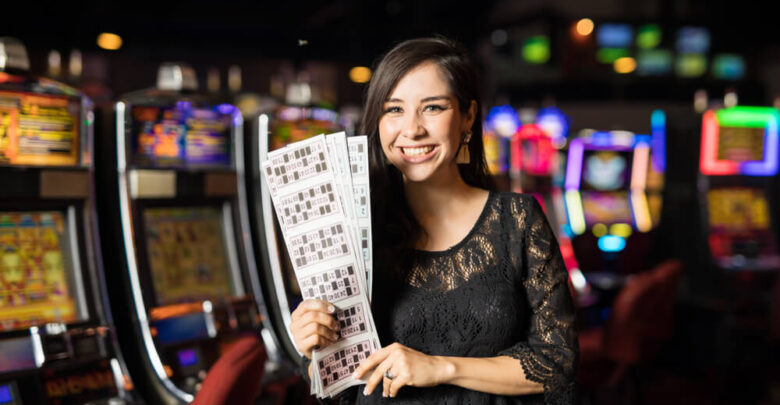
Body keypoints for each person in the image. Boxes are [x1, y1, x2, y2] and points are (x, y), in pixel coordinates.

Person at [289, 37, 577, 404]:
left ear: (468, 116)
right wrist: (312, 346)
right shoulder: (352, 226)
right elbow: (339, 384)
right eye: (394, 109)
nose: (412, 129)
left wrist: (441, 367)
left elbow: (556, 363)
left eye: (433, 108)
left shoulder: (517, 220)